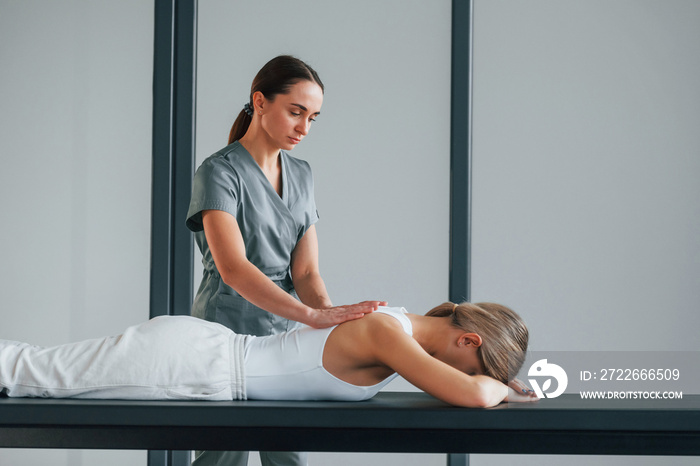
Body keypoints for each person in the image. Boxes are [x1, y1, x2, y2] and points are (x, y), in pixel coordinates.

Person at [185, 55, 383, 466]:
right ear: (260, 102)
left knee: (288, 454)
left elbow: (306, 271)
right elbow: (234, 268)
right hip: (225, 332)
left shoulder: (302, 173)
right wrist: (311, 316)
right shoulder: (219, 172)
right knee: (223, 456)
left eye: (313, 118)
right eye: (296, 112)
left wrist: (331, 317)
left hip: (286, 334)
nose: (304, 128)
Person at [0, 302, 537, 407]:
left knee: (29, 367)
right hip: (193, 367)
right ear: (469, 339)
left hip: (203, 359)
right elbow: (469, 394)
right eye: (474, 363)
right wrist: (494, 388)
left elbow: (469, 384)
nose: (461, 374)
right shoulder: (385, 331)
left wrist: (503, 381)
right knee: (27, 373)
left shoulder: (398, 327)